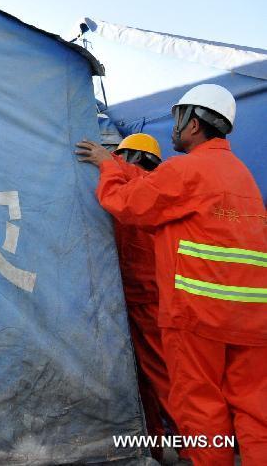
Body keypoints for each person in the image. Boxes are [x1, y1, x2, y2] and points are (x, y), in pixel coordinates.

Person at [75, 84, 267, 466]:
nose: (175, 129)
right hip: (252, 318)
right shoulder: (240, 175)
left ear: (194, 124)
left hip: (198, 316)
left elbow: (127, 204)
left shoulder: (186, 170)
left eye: (178, 120)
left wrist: (108, 168)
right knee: (254, 411)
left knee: (200, 409)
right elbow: (155, 186)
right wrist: (120, 166)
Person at [110, 134, 174, 457]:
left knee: (162, 374)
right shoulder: (132, 186)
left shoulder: (149, 187)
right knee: (143, 380)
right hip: (132, 297)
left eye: (122, 157)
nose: (117, 161)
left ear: (135, 159)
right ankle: (156, 447)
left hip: (148, 296)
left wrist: (106, 163)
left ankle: (193, 444)